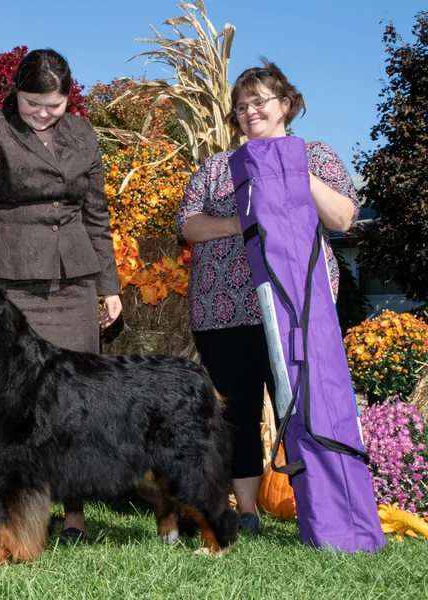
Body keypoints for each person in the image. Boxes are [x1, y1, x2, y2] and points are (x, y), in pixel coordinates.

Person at [175, 60, 359, 535]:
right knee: (234, 412)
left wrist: (293, 169)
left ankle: (318, 511)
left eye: (259, 101)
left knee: (301, 406)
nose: (249, 111)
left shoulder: (316, 154)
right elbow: (188, 224)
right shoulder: (218, 167)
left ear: (286, 105)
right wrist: (239, 225)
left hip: (298, 311)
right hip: (223, 311)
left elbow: (342, 219)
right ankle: (248, 512)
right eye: (241, 106)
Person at [0, 49, 122, 544]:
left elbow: (96, 213)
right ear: (16, 91)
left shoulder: (83, 134)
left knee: (74, 403)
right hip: (13, 283)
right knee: (16, 406)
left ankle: (74, 517)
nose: (44, 113)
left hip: (74, 283)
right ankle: (11, 514)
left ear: (68, 96)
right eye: (33, 103)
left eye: (54, 103)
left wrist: (108, 286)